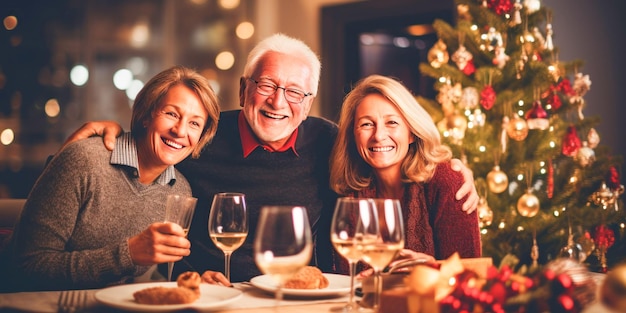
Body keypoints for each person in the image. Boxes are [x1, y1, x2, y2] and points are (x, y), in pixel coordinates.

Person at [59, 33, 478, 285]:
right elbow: (158, 141)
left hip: (297, 301)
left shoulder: (330, 143)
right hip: (213, 297)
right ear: (244, 89)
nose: (280, 102)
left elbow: (391, 152)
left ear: (309, 101)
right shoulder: (203, 134)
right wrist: (108, 135)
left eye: (295, 91)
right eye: (266, 85)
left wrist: (454, 167)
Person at [0, 65, 220, 292]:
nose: (181, 131)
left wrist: (190, 280)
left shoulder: (180, 191)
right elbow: (26, 265)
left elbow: (151, 272)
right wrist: (127, 254)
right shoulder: (84, 160)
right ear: (146, 115)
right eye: (171, 114)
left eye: (194, 123)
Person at [329, 74, 481, 275]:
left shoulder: (446, 181)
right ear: (353, 135)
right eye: (366, 124)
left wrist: (434, 268)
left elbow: (471, 277)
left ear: (411, 132)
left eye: (392, 122)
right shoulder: (348, 191)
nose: (379, 136)